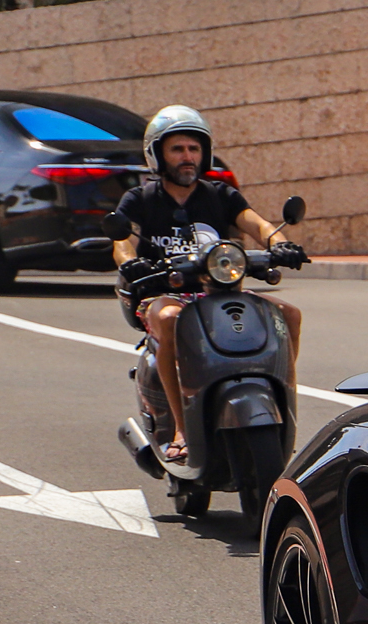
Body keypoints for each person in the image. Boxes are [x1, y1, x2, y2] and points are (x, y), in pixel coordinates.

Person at [112, 105, 305, 463]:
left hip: (219, 291)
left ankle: (286, 418)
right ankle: (182, 427)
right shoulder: (140, 200)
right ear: (158, 155)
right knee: (171, 319)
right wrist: (131, 262)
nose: (188, 157)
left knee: (288, 315)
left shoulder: (220, 195)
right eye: (177, 149)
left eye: (194, 149)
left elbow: (258, 225)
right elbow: (122, 243)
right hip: (164, 293)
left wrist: (280, 245)